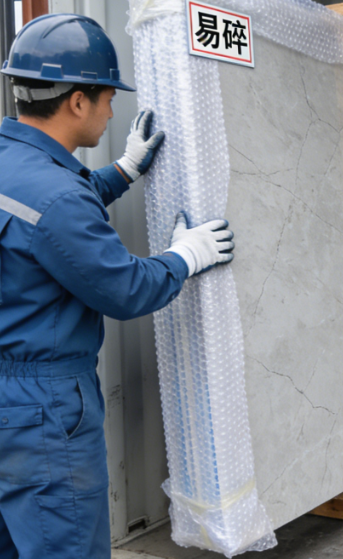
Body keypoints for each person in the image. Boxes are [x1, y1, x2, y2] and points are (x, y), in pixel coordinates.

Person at [0, 14, 235, 557]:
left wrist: (124, 170)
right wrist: (186, 257)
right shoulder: (59, 199)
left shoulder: (19, 167)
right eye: (108, 98)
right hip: (44, 411)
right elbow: (126, 288)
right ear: (77, 101)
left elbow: (49, 222)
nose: (111, 111)